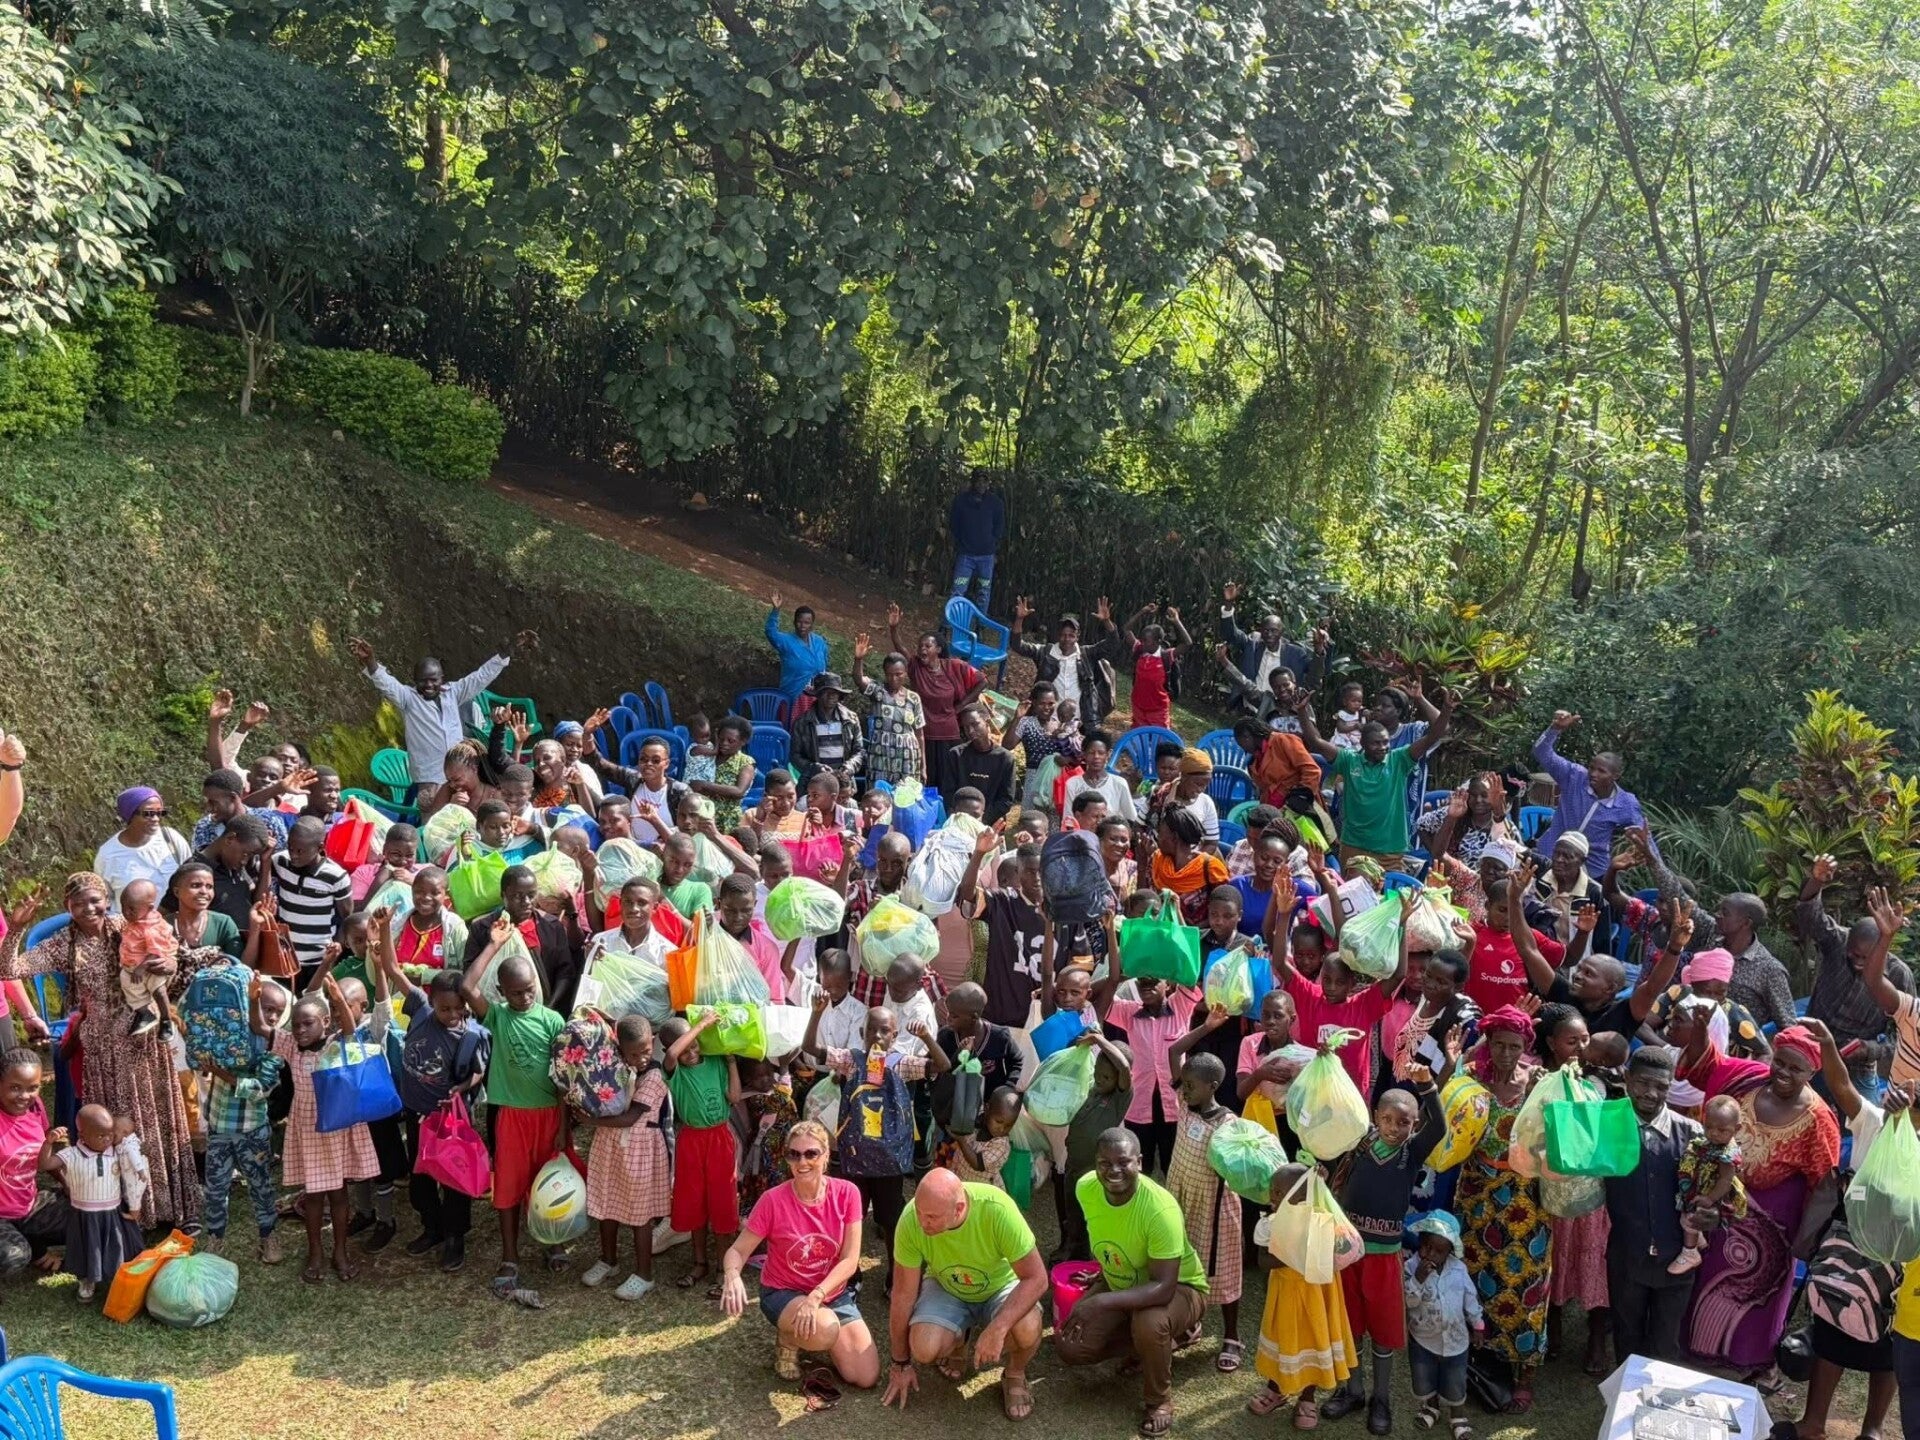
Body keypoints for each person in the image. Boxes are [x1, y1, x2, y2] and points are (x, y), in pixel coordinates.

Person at [1, 875, 201, 1228]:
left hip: (143, 1044)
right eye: (78, 904)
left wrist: (169, 963)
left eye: (95, 900)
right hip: (102, 1054)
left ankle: (175, 1208)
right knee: (112, 1130)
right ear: (68, 908)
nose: (88, 909)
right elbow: (8, 969)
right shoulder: (63, 944)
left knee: (158, 1123)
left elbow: (182, 959)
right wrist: (15, 929)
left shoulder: (128, 926)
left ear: (107, 900)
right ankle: (127, 1212)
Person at [1682, 1023, 1841, 1382]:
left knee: (1757, 1291)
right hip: (1721, 1202)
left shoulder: (1819, 1120)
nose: (1783, 1072)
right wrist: (1699, 1028)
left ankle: (1747, 1358)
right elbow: (1707, 1066)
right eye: (1780, 1062)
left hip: (1775, 1218)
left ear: (1812, 1073)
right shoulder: (1747, 1081)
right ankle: (1697, 1349)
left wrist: (1807, 1238)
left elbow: (1823, 1184)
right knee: (1709, 1276)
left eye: (1796, 1068)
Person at [1054, 1127, 1209, 1439]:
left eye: (1123, 1162)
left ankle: (1159, 1401)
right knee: (1070, 1346)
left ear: (1139, 1162)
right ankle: (1161, 1343)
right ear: (1095, 1164)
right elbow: (1108, 1233)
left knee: (1149, 1323)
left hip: (1179, 1288)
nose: (1114, 1171)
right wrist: (1104, 1270)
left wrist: (1100, 1301)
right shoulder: (1086, 1188)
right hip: (1121, 1279)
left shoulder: (1160, 1209)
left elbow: (1163, 1287)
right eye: (1105, 1163)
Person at [1791, 1018, 1902, 1440]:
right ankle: (1813, 1422)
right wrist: (1828, 1046)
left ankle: (1872, 1429)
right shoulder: (1875, 1123)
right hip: (1849, 1251)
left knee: (1888, 1347)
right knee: (1831, 1328)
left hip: (1899, 1260)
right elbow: (1841, 1087)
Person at [1323, 1062, 1449, 1431]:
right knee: (1351, 1324)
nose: (1394, 1128)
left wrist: (1427, 1085)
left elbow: (1439, 1127)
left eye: (1404, 1122)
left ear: (1414, 1124)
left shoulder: (1411, 1153)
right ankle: (1353, 1390)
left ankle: (1381, 1399)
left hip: (1382, 1259)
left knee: (1382, 1331)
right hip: (1348, 1253)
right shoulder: (1360, 1143)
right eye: (1388, 1120)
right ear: (1376, 1116)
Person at [719, 1118, 880, 1386]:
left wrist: (817, 1296)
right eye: (794, 1155)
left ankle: (817, 1329)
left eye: (811, 1154)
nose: (802, 1162)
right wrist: (732, 1275)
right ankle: (789, 1337)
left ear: (826, 1156)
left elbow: (850, 1260)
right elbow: (737, 1250)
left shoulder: (847, 1193)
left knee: (866, 1377)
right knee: (825, 1330)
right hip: (784, 1292)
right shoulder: (772, 1200)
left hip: (830, 1292)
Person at [370, 918, 488, 1274]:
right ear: (431, 1001)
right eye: (444, 1008)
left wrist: (462, 1088)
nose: (452, 1015)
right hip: (417, 1114)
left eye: (458, 1009)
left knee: (453, 1178)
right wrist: (386, 928)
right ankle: (431, 1226)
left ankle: (454, 1236)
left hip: (449, 1119)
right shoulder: (420, 1009)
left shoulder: (471, 1036)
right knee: (420, 1177)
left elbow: (479, 1071)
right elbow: (392, 968)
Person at [884, 1167, 1049, 1419]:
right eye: (919, 1212)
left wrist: (998, 1328)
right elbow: (903, 1294)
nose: (922, 1222)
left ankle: (1015, 1373)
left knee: (1027, 1327)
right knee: (924, 1348)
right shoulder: (911, 1220)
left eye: (931, 1217)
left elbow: (1037, 1278)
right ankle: (960, 1340)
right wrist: (900, 1362)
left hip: (1001, 1286)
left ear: (958, 1209)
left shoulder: (997, 1209)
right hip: (946, 1286)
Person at [461, 911, 569, 1299]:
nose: (524, 998)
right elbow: (467, 985)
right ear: (502, 992)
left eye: (529, 990)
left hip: (548, 1117)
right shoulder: (497, 1017)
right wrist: (493, 944)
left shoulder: (553, 1021)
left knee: (548, 1184)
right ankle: (510, 1256)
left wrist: (564, 1126)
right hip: (510, 1117)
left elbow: (563, 1079)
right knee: (507, 1188)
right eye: (516, 992)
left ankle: (553, 1241)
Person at [1456, 1005, 1549, 1411]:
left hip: (1525, 1199)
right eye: (1498, 1045)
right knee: (1475, 1276)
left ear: (1526, 1046)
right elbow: (1443, 1112)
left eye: (1515, 1046)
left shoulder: (1539, 1082)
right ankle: (1476, 1357)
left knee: (1525, 1282)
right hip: (1477, 1193)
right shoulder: (1472, 1078)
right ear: (1488, 1043)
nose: (1506, 1054)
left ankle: (1524, 1372)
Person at [260, 974, 378, 1283]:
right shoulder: (290, 1046)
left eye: (308, 1024)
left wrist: (337, 998)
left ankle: (340, 1251)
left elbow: (350, 1029)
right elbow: (259, 1027)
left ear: (325, 1022)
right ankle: (315, 1252)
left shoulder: (336, 1043)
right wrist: (251, 997)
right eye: (296, 1025)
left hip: (336, 1127)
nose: (300, 1030)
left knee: (339, 1194)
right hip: (308, 1130)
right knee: (313, 1196)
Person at [1604, 1046, 1703, 1362]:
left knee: (1666, 1343)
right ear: (1627, 1077)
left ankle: (1659, 1392)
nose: (1651, 1093)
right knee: (1627, 1337)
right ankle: (1627, 1392)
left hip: (1676, 1260)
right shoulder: (1608, 1128)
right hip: (1626, 1257)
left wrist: (1710, 1215)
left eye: (1661, 1086)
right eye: (1643, 1083)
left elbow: (1711, 1194)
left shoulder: (1692, 1134)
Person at [347, 631, 537, 788]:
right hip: (430, 777)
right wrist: (370, 660)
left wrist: (507, 652)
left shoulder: (453, 693)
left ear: (442, 678)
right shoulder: (408, 698)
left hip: (461, 771)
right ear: (415, 681)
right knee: (434, 816)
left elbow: (481, 677)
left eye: (434, 680)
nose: (429, 685)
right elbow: (386, 683)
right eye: (423, 681)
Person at [1156, 1041, 1246, 1371]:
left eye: (1192, 1086)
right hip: (1180, 1201)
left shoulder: (1227, 1123)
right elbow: (1172, 1052)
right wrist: (1207, 1028)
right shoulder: (1185, 1104)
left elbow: (1236, 1166)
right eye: (1184, 1084)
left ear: (1214, 1086)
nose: (1185, 1090)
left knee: (1221, 1272)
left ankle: (1232, 1336)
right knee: (1182, 1266)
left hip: (1213, 1208)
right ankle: (1189, 1326)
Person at [1248, 1159, 1356, 1427]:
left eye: (1279, 1192)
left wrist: (1321, 1182)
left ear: (1304, 1196)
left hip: (1318, 1295)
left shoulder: (1321, 1219)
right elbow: (1262, 1261)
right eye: (1272, 1190)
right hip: (1285, 1294)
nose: (1273, 1197)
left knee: (1314, 1339)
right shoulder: (1271, 1224)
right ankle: (1276, 1388)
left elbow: (1339, 1243)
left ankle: (1308, 1397)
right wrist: (1294, 1253)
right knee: (1282, 1338)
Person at [1298, 689, 1453, 869]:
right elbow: (1316, 741)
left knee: (1391, 887)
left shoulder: (1398, 759)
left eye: (1385, 742)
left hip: (1390, 850)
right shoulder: (1349, 760)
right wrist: (1302, 710)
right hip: (1354, 847)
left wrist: (1447, 708)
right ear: (1363, 744)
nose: (1383, 747)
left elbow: (1433, 736)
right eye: (1376, 743)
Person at [580, 1015, 670, 1302]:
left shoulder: (654, 1076)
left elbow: (631, 1118)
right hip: (610, 1146)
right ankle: (608, 1260)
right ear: (620, 1050)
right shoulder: (615, 1068)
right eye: (634, 1054)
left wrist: (590, 1121)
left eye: (646, 1051)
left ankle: (644, 1274)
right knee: (606, 1203)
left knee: (640, 1215)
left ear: (652, 1043)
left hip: (640, 1149)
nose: (641, 1058)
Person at [1804, 856, 1916, 1071]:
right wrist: (1815, 881)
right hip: (1811, 1045)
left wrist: (1870, 1049)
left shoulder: (1899, 976)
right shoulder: (1838, 941)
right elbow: (1810, 917)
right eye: (1853, 955)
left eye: (1866, 958)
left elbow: (1907, 1035)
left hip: (1855, 1065)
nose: (1858, 963)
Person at [663, 1011, 743, 1293]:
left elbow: (734, 1097)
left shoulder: (717, 1062)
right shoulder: (676, 1072)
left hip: (719, 1139)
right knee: (694, 1201)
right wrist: (701, 1026)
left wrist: (731, 1061)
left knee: (722, 1201)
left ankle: (723, 1266)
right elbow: (672, 1055)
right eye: (686, 1049)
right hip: (691, 1141)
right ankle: (699, 1263)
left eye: (695, 1046)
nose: (691, 1053)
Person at [43, 1103, 148, 1302]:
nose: (107, 1139)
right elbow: (45, 1164)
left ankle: (117, 1280)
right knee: (87, 1249)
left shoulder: (116, 1151)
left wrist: (136, 1204)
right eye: (101, 1136)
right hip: (84, 1215)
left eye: (110, 1134)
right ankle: (87, 1281)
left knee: (115, 1247)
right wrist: (48, 1144)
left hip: (111, 1212)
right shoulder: (72, 1154)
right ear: (82, 1136)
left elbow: (133, 1164)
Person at [1530, 710, 1651, 879]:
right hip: (1550, 855)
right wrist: (1554, 729)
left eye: (1601, 771)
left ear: (1615, 776)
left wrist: (1653, 861)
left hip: (1591, 869)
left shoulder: (1626, 804)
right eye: (1592, 768)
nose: (1593, 774)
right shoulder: (1574, 776)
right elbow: (1541, 752)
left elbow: (1643, 836)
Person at [1403, 1212, 1486, 1440]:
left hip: (1455, 1339)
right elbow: (1408, 1302)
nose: (1429, 1254)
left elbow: (1470, 1297)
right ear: (1420, 1241)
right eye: (1426, 1246)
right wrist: (1417, 1280)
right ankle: (1431, 1406)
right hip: (1423, 1338)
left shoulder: (1458, 1269)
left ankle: (1457, 1416)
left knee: (1455, 1379)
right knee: (1424, 1377)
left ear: (1449, 1251)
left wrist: (1478, 1325)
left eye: (1438, 1251)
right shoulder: (1411, 1267)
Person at [0, 1050, 68, 1283]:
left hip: (29, 1205)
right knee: (13, 1257)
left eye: (33, 1088)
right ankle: (30, 1246)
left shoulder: (35, 1108)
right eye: (15, 1088)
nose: (24, 1096)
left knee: (91, 1209)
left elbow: (43, 1152)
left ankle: (27, 1237)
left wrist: (67, 1183)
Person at [1011, 596, 1124, 732]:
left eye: (1071, 635)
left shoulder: (1087, 654)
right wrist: (1019, 619)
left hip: (1081, 720)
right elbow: (1017, 645)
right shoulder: (1045, 652)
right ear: (1058, 635)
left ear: (1077, 636)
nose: (1067, 639)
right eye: (1063, 635)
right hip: (1049, 718)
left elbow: (1113, 644)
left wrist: (1106, 621)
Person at [889, 603, 984, 760]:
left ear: (938, 649)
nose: (922, 649)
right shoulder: (916, 667)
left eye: (928, 646)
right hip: (924, 733)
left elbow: (982, 681)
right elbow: (900, 648)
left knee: (949, 771)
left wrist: (961, 705)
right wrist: (893, 628)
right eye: (920, 646)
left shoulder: (954, 666)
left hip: (949, 733)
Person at [1668, 1094, 1748, 1274]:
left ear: (1736, 1129)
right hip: (1701, 1186)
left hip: (1711, 1193)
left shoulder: (1727, 1155)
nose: (1714, 1133)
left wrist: (1709, 1199)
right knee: (1688, 1214)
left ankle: (1690, 1253)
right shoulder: (1710, 1143)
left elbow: (1725, 1180)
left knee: (1690, 1219)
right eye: (1709, 1127)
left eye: (1721, 1130)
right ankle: (1698, 1239)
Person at [1217, 581, 1325, 709]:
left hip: (1280, 711)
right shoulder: (1253, 643)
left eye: (1274, 631)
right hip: (1248, 708)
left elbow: (1315, 676)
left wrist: (1319, 649)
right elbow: (1231, 634)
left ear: (1281, 633)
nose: (1269, 634)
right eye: (1266, 630)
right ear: (1261, 631)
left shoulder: (1296, 654)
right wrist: (1228, 604)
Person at [272, 816, 354, 981]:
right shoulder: (280, 861)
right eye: (290, 848)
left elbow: (347, 917)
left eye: (300, 851)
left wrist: (332, 957)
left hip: (318, 962)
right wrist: (266, 858)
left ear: (320, 847)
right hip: (284, 957)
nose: (293, 855)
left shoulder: (335, 876)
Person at [93, 786, 193, 908]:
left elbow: (191, 876)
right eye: (148, 814)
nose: (156, 819)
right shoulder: (107, 855)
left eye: (160, 813)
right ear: (130, 814)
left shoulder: (171, 839)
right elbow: (104, 900)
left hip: (172, 918)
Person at [1715, 889, 1797, 1035]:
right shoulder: (1711, 944)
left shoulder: (1769, 969)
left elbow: (1788, 1026)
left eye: (1725, 913)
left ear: (1746, 923)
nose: (1717, 915)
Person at [852, 633, 928, 786]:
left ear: (905, 673)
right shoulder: (878, 691)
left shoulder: (913, 698)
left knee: (904, 795)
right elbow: (859, 679)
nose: (894, 678)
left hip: (907, 757)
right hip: (880, 754)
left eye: (898, 674)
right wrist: (858, 659)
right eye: (889, 674)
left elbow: (919, 734)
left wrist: (923, 766)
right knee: (878, 793)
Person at [1120, 603, 1190, 731]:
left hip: (1158, 710)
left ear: (1158, 641)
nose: (1143, 643)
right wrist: (1142, 612)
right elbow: (1126, 629)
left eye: (1147, 641)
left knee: (1159, 738)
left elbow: (1187, 643)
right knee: (1139, 738)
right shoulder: (1140, 650)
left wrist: (1176, 621)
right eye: (1142, 640)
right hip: (1138, 707)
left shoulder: (1166, 656)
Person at [941, 704, 1016, 821]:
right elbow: (948, 792)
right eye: (966, 727)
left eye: (975, 724)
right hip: (961, 821)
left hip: (991, 822)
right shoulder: (956, 755)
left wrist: (982, 819)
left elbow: (1006, 799)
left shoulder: (1005, 758)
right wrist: (961, 818)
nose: (970, 731)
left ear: (987, 722)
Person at [1418, 774, 1513, 867]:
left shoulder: (1505, 826)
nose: (1478, 800)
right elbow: (1421, 824)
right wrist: (1437, 855)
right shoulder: (1455, 811)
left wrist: (1499, 816)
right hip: (1450, 873)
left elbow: (1512, 860)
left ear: (1495, 797)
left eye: (1484, 795)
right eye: (1473, 795)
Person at [193, 767, 290, 852]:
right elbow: (199, 863)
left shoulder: (269, 821)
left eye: (214, 802)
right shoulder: (205, 826)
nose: (209, 808)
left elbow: (284, 858)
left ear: (232, 798)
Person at [790, 673, 865, 780]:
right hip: (814, 782)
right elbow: (795, 756)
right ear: (817, 694)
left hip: (844, 781)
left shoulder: (851, 720)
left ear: (839, 695)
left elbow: (859, 751)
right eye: (826, 692)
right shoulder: (803, 723)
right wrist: (814, 768)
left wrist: (849, 767)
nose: (831, 696)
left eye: (835, 692)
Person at [948, 474, 1005, 610]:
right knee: (958, 590)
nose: (981, 484)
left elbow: (999, 526)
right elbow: (954, 524)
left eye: (984, 481)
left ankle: (980, 622)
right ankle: (951, 621)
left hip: (986, 556)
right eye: (978, 481)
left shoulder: (995, 503)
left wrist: (991, 542)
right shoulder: (961, 501)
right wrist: (962, 541)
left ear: (988, 483)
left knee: (983, 593)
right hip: (966, 554)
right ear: (973, 482)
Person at [764, 592, 831, 706]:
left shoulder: (819, 642)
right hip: (792, 697)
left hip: (816, 699)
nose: (802, 626)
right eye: (799, 622)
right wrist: (776, 610)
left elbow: (825, 665)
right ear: (794, 622)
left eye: (807, 623)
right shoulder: (786, 641)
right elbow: (771, 632)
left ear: (812, 625)